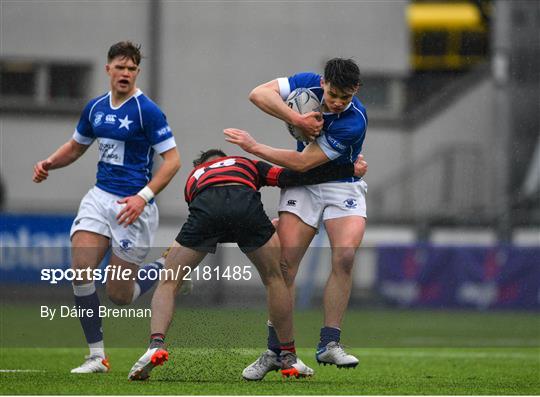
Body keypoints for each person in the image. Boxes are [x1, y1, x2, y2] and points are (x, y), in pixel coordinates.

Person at [127, 148, 367, 381]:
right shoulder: (244, 163)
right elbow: (291, 177)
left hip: (206, 210)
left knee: (169, 282)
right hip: (247, 208)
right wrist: (347, 170)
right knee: (276, 278)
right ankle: (289, 355)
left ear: (201, 165)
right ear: (227, 158)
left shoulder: (195, 176)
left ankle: (155, 345)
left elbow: (214, 225)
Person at [32, 41, 181, 373]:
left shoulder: (147, 111)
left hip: (134, 208)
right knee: (81, 270)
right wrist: (49, 163)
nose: (125, 73)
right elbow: (76, 146)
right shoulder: (96, 107)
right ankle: (96, 356)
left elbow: (173, 161)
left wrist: (143, 196)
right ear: (108, 69)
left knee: (119, 295)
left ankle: (164, 264)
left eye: (132, 68)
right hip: (99, 199)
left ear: (137, 73)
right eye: (120, 67)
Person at [224, 57, 368, 377]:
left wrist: (254, 146)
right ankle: (277, 351)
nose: (338, 102)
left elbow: (303, 163)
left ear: (355, 90)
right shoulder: (307, 82)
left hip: (340, 184)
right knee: (285, 266)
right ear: (323, 83)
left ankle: (330, 344)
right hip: (303, 188)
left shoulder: (353, 120)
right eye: (332, 95)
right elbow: (258, 94)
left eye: (345, 97)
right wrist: (297, 119)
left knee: (344, 256)